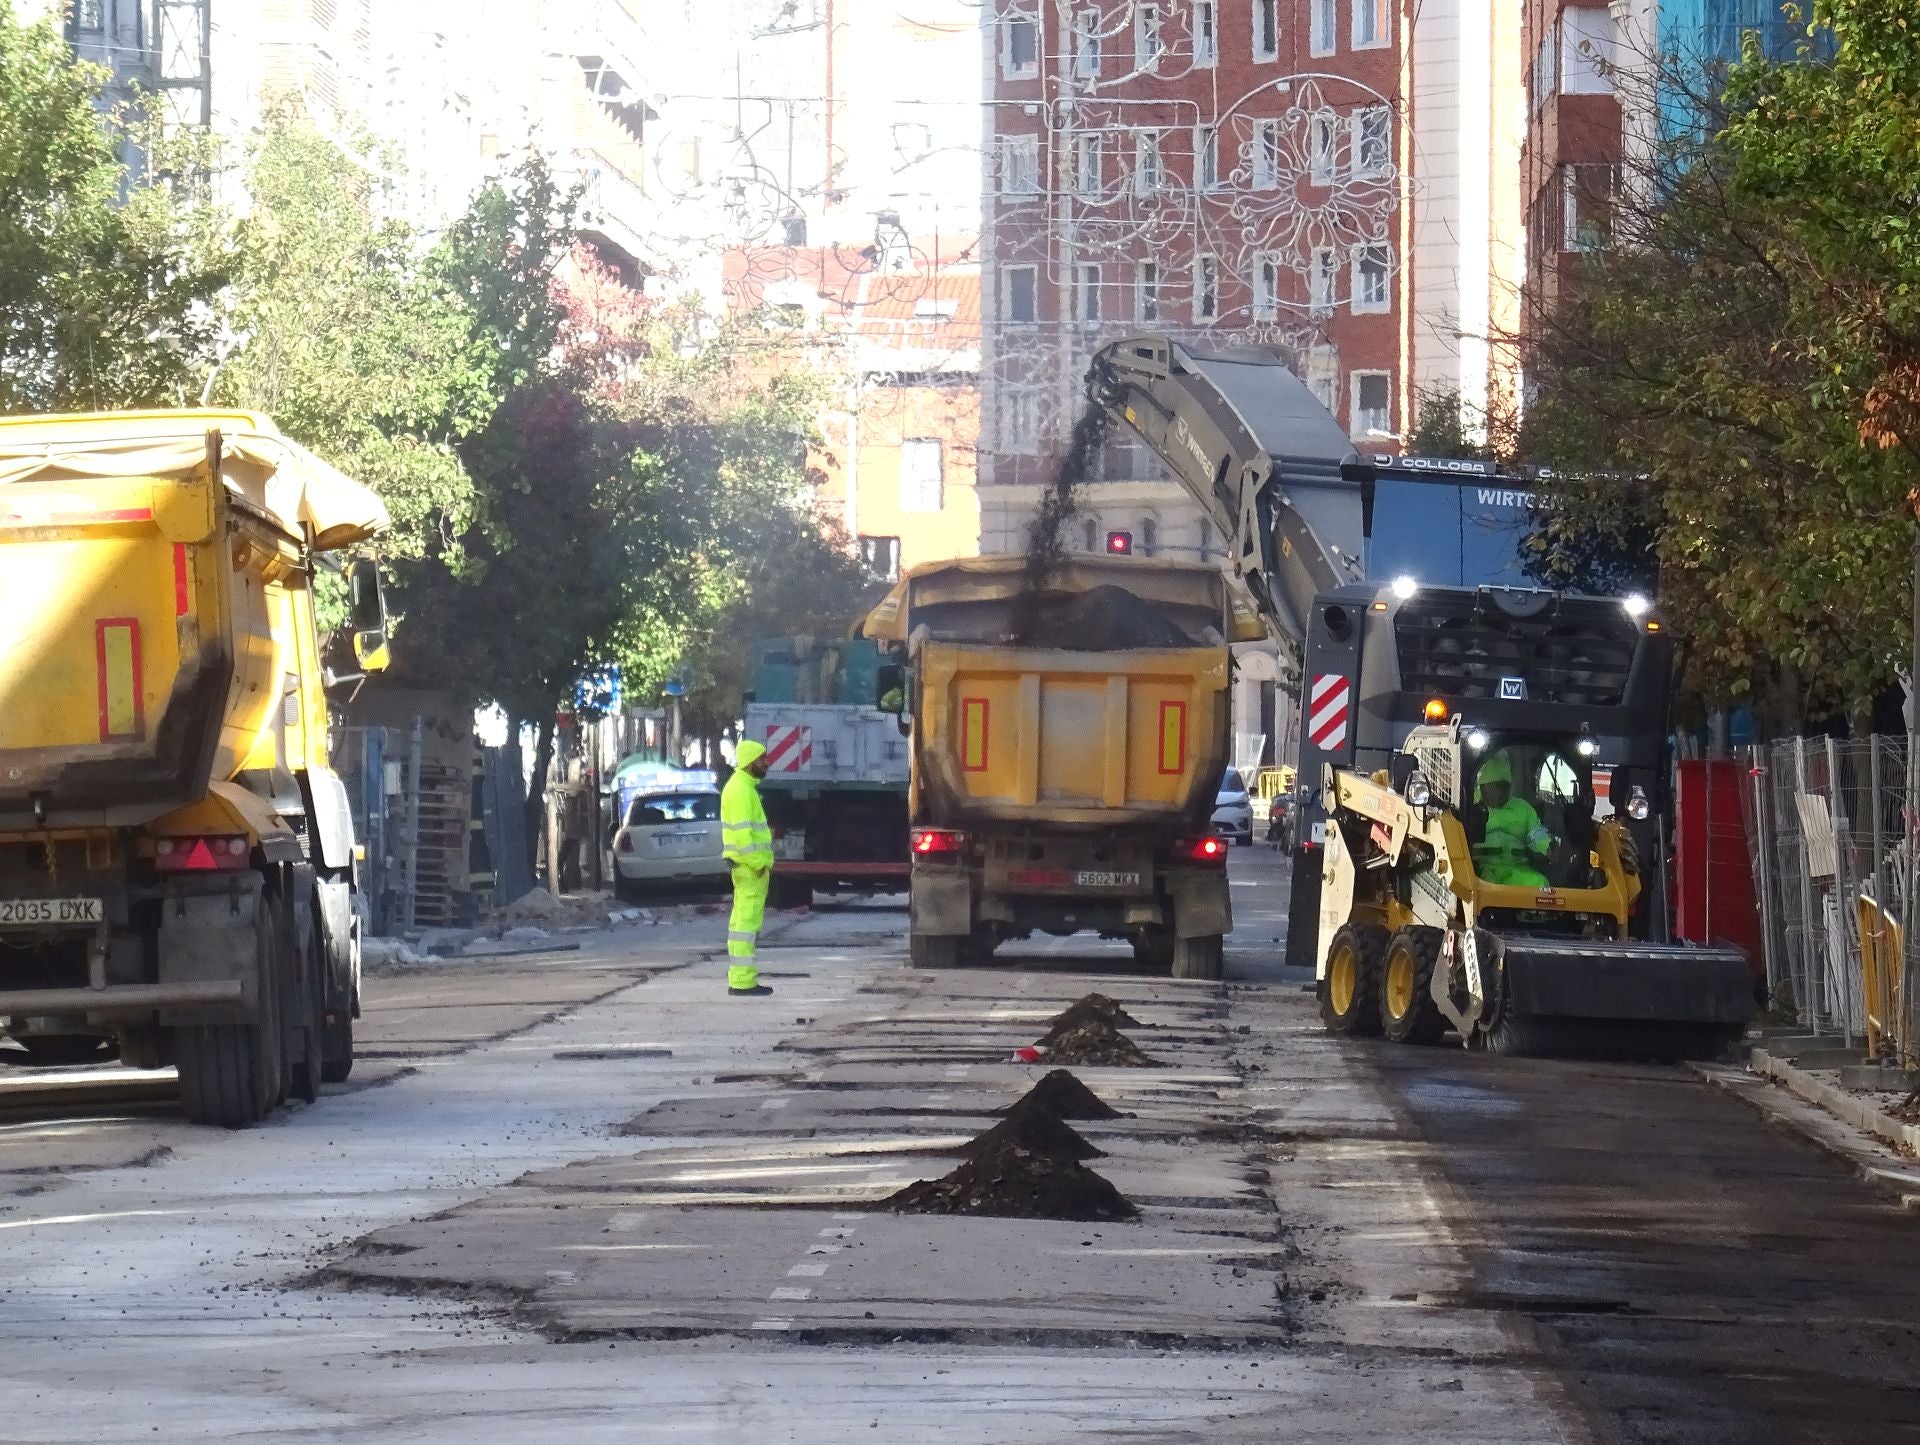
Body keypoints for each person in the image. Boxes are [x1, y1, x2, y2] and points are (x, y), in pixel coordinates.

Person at [720, 740, 776, 996]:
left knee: (743, 924)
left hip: (747, 868)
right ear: (750, 761)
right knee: (745, 926)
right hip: (750, 868)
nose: (766, 763)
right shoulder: (742, 790)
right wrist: (759, 864)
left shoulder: (742, 787)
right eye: (762, 759)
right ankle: (743, 982)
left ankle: (742, 979)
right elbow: (743, 837)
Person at [1471, 752, 1555, 888]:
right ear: (1482, 786)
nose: (1498, 792)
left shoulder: (1522, 808)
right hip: (1481, 869)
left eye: (1503, 787)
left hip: (1516, 869)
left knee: (1540, 884)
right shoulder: (1471, 805)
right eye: (1493, 787)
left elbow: (1536, 834)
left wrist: (1548, 846)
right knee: (1486, 889)